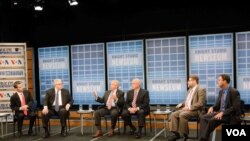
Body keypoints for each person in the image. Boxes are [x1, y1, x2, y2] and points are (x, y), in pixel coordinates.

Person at [198, 74, 241, 141]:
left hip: (229, 115)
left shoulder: (234, 92)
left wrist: (223, 113)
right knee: (203, 117)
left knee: (212, 120)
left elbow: (236, 107)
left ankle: (202, 139)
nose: (217, 82)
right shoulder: (221, 91)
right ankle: (204, 138)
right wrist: (212, 107)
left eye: (219, 80)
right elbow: (217, 105)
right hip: (220, 113)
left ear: (225, 81)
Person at [167, 75, 206, 141]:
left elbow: (200, 103)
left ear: (194, 81)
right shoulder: (189, 90)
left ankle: (185, 135)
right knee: (173, 114)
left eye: (189, 80)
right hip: (186, 109)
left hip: (196, 110)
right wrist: (182, 104)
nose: (188, 82)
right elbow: (188, 101)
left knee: (182, 115)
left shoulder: (201, 89)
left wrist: (189, 108)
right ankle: (176, 135)